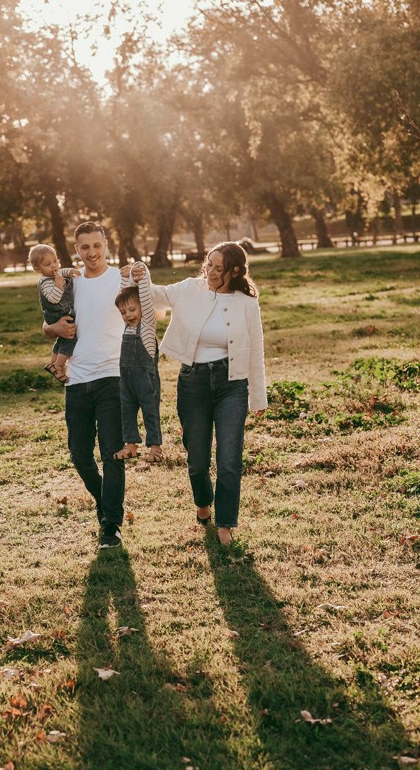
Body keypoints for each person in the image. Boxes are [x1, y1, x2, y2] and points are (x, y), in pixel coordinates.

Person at [144, 242, 267, 546]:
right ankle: (203, 501)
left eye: (218, 267)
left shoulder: (246, 304)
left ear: (234, 271)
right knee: (197, 458)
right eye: (209, 264)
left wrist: (258, 397)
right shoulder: (190, 288)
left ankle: (225, 523)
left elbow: (256, 350)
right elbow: (155, 295)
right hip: (193, 382)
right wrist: (138, 272)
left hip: (232, 384)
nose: (211, 271)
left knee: (229, 458)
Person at [43, 222, 126, 550]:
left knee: (112, 454)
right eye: (84, 247)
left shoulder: (122, 278)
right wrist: (54, 329)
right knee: (79, 454)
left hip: (112, 376)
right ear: (76, 250)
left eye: (97, 245)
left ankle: (111, 524)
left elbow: (147, 313)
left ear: (106, 244)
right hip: (78, 378)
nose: (91, 253)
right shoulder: (70, 283)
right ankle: (106, 502)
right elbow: (47, 323)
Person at [113, 265, 163, 463]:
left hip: (145, 379)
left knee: (150, 412)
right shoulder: (127, 326)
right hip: (126, 379)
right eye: (124, 312)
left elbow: (145, 297)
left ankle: (156, 448)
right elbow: (123, 297)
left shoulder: (148, 325)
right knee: (126, 411)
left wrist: (141, 276)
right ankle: (131, 446)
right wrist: (125, 279)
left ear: (142, 307)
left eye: (133, 310)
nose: (128, 315)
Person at [31, 243, 80, 383]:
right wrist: (59, 285)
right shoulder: (45, 283)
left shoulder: (54, 273)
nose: (54, 266)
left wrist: (69, 271)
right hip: (56, 314)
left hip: (58, 313)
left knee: (61, 339)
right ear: (37, 269)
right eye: (48, 264)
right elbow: (53, 299)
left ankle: (52, 362)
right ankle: (59, 366)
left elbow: (61, 272)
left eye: (55, 261)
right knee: (71, 337)